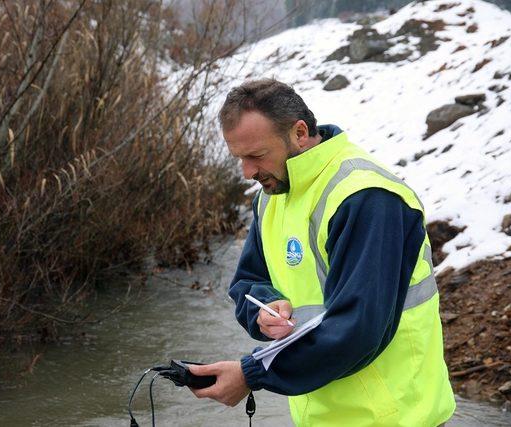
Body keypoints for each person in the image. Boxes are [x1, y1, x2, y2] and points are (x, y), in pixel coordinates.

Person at [188, 78, 456, 426]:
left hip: (395, 417)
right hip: (323, 415)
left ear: (299, 133)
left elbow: (356, 330)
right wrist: (264, 307)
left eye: (256, 156)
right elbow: (248, 282)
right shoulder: (271, 198)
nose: (247, 172)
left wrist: (252, 373)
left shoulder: (366, 197)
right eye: (239, 158)